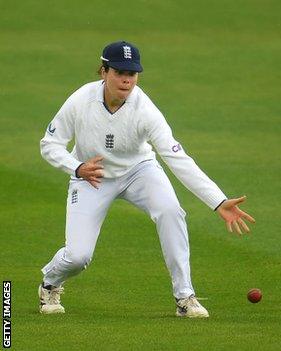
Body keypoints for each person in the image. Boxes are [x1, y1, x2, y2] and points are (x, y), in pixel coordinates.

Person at [38, 40, 255, 318]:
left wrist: (218, 201)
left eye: (132, 73)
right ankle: (50, 283)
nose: (127, 79)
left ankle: (184, 297)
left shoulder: (145, 109)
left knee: (171, 211)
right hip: (92, 176)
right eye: (119, 72)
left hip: (139, 170)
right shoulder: (81, 100)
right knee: (78, 256)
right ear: (103, 72)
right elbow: (50, 144)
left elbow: (178, 158)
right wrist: (77, 167)